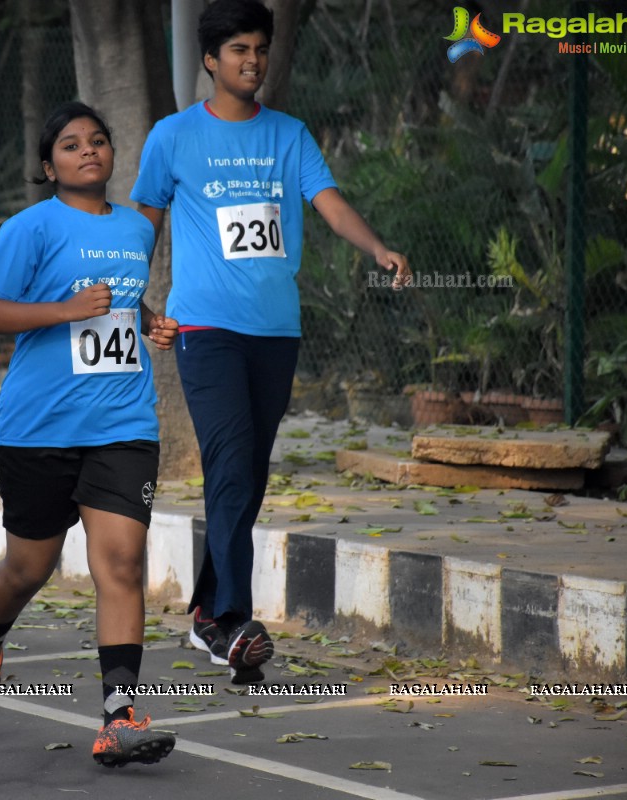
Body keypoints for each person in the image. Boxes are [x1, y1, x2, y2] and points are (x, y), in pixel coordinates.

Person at [130, 0, 412, 684]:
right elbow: (142, 225)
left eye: (259, 48)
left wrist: (376, 246)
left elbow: (329, 202)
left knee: (247, 474)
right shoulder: (172, 137)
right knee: (228, 464)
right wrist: (137, 303)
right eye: (238, 51)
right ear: (209, 61)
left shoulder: (289, 134)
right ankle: (234, 620)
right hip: (205, 330)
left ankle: (203, 612)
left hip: (275, 331)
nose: (251, 61)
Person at [0, 101, 179, 767]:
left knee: (122, 563)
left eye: (100, 141)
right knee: (29, 569)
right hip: (39, 428)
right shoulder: (30, 228)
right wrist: (63, 310)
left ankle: (119, 715)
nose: (89, 151)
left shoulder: (138, 229)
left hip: (123, 422)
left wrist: (151, 321)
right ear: (49, 166)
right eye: (73, 145)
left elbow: (121, 298)